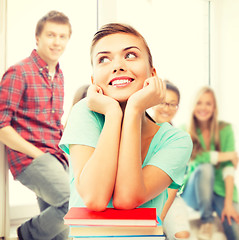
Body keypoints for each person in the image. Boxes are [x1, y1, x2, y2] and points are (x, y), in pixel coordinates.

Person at [59, 22, 192, 222]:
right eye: (104, 59)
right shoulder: (84, 114)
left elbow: (126, 198)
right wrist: (113, 113)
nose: (118, 66)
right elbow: (94, 199)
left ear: (152, 74)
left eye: (130, 55)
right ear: (94, 80)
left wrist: (134, 109)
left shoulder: (176, 141)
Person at [0, 11, 71, 240]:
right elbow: (2, 126)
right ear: (37, 37)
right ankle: (26, 234)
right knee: (72, 204)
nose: (56, 42)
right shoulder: (18, 72)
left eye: (62, 36)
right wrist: (39, 155)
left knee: (60, 231)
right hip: (31, 158)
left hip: (58, 156)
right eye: (51, 35)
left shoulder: (59, 76)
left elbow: (54, 123)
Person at [181, 86, 239, 240]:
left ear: (214, 108)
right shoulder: (184, 131)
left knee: (234, 226)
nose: (203, 108)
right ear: (193, 106)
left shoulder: (225, 129)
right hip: (193, 192)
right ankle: (207, 221)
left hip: (219, 191)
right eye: (199, 103)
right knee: (205, 168)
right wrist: (224, 155)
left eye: (208, 103)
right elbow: (194, 159)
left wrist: (228, 203)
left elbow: (229, 168)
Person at [151, 80, 192, 240]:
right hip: (142, 196)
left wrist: (158, 219)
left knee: (181, 235)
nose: (166, 108)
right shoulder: (138, 129)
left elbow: (173, 187)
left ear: (177, 108)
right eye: (162, 102)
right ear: (153, 102)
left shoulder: (180, 140)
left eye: (172, 104)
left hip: (169, 197)